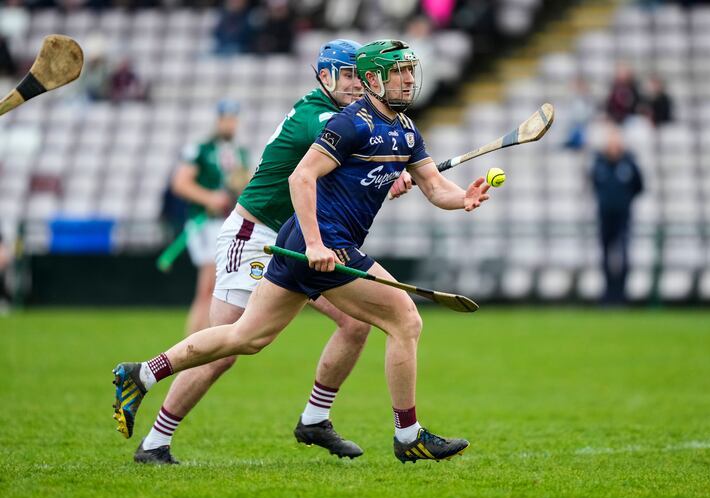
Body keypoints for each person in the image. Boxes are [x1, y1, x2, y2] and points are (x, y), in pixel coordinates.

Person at [113, 39, 489, 464]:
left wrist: (463, 198)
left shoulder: (404, 128)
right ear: (364, 79)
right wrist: (316, 241)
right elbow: (303, 177)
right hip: (283, 237)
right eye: (395, 72)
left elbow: (434, 187)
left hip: (294, 236)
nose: (406, 80)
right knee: (405, 319)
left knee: (249, 338)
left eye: (408, 72)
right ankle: (408, 436)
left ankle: (142, 373)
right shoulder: (338, 119)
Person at [170, 100, 250, 336]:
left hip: (229, 224)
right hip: (205, 223)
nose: (230, 124)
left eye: (233, 119)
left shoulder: (239, 152)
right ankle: (194, 344)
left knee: (216, 288)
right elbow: (180, 183)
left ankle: (203, 342)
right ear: (218, 120)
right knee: (208, 288)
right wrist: (209, 198)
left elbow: (245, 184)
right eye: (226, 119)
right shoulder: (201, 149)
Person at [590, 126, 644, 304]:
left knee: (624, 254)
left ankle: (622, 294)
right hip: (605, 217)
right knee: (605, 255)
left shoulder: (629, 163)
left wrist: (624, 201)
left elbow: (639, 186)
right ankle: (608, 294)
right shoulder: (599, 163)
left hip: (623, 217)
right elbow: (594, 184)